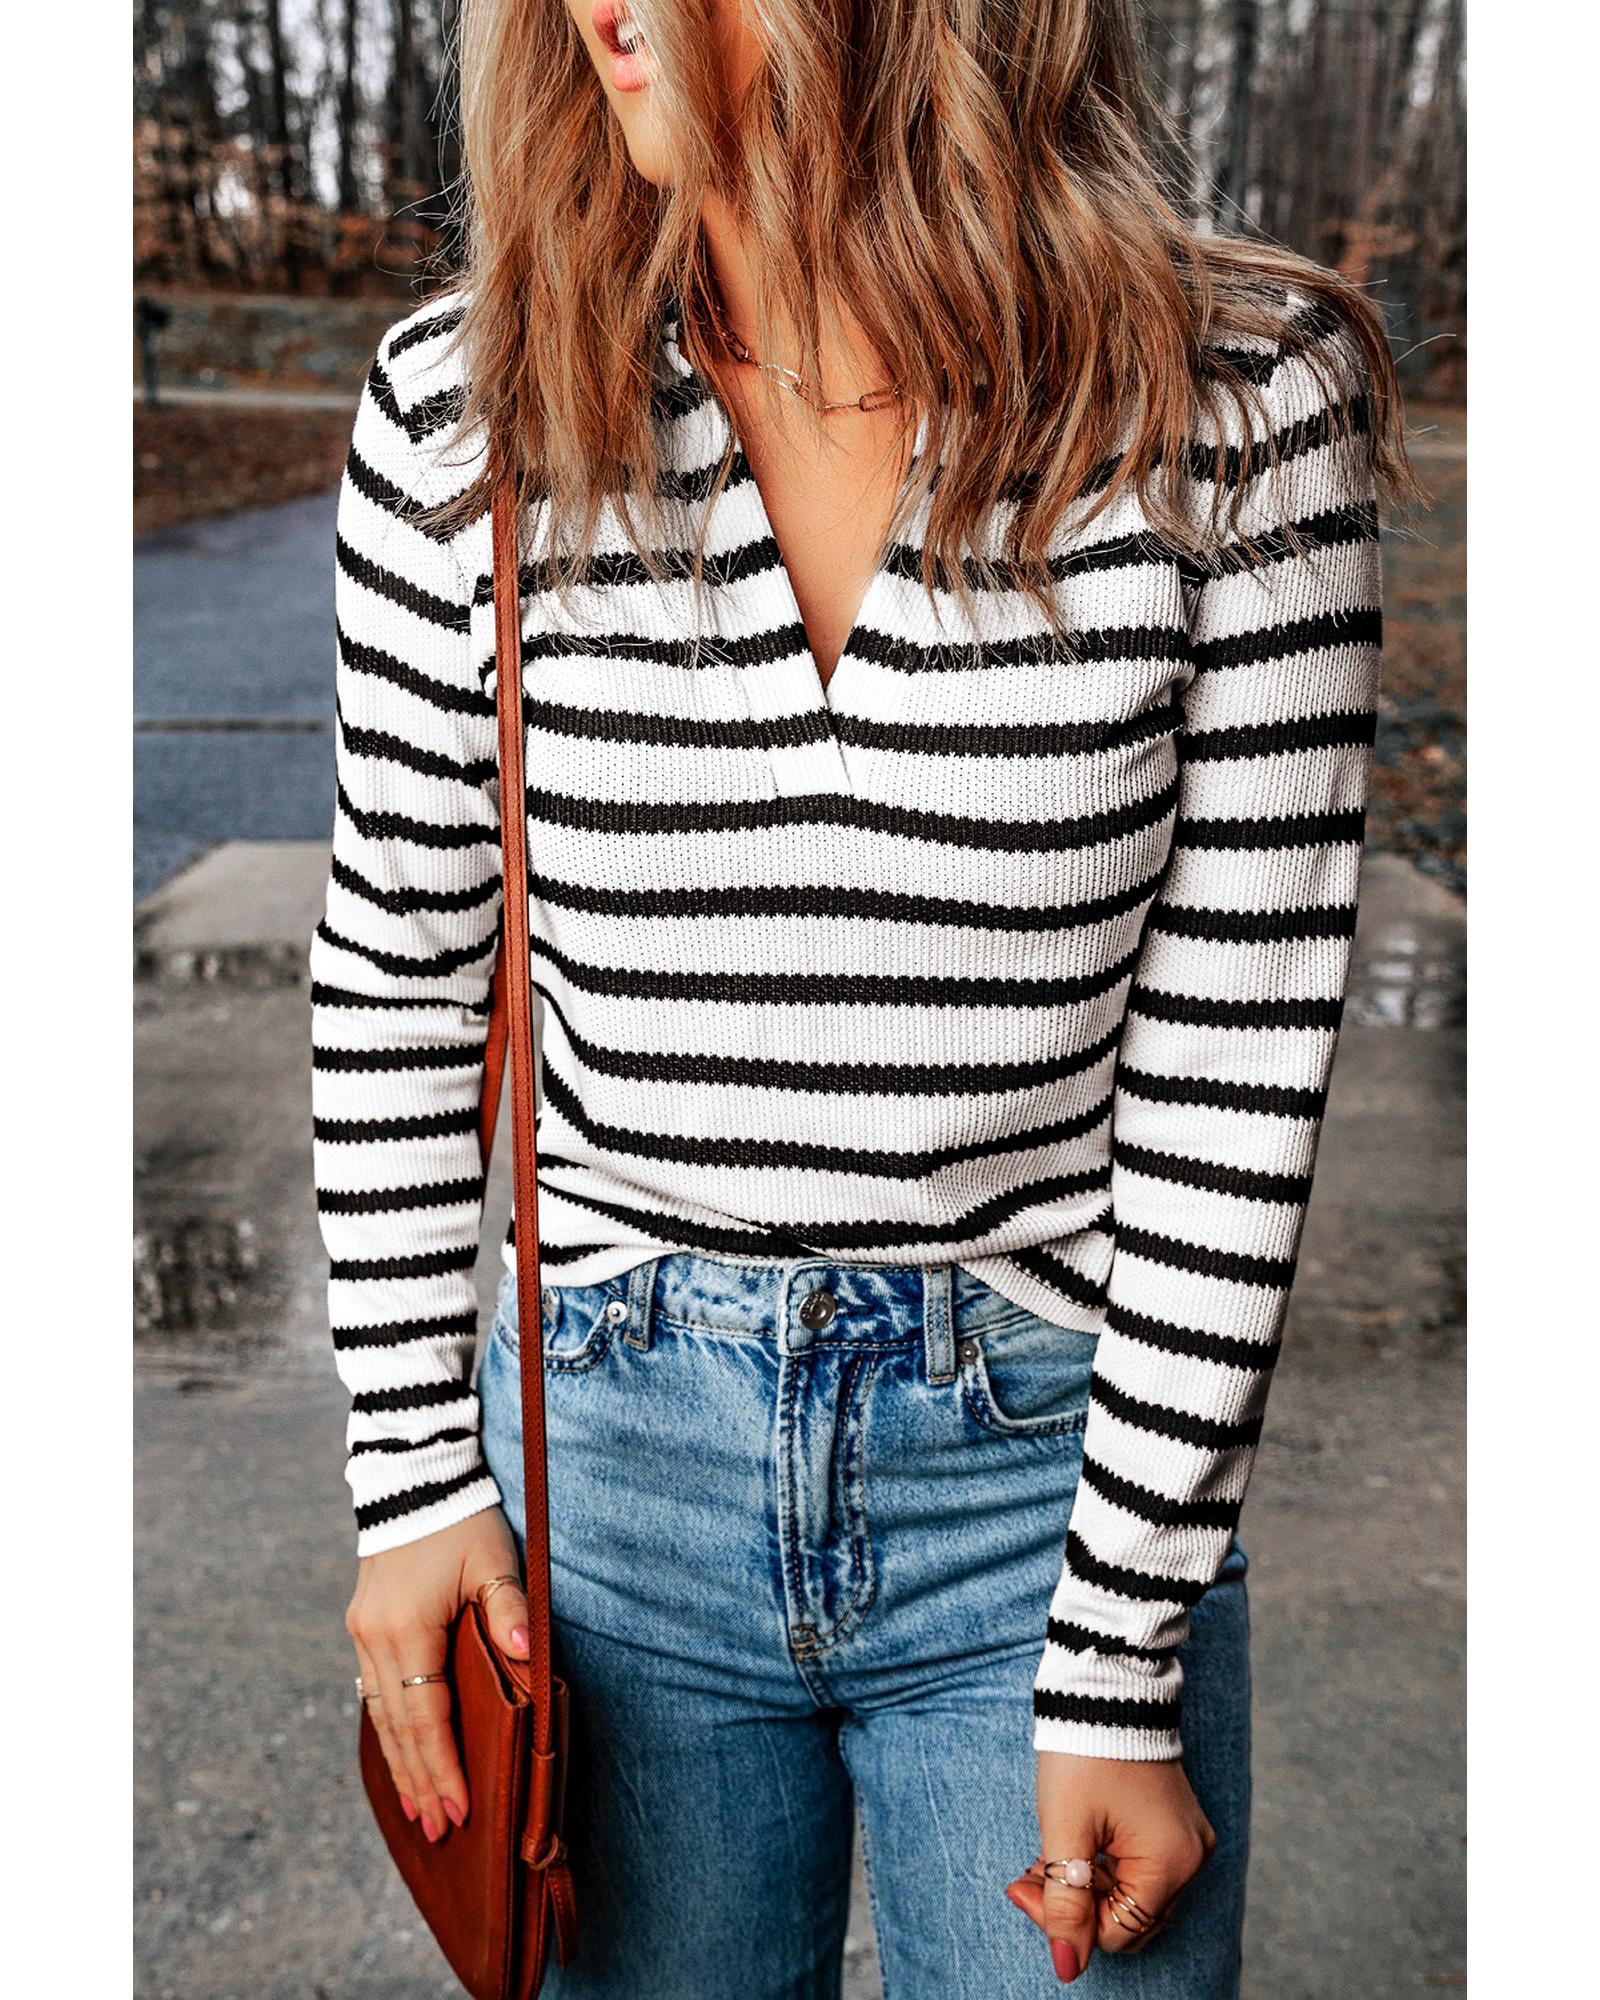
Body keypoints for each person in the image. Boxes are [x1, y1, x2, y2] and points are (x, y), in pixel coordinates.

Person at [311, 2, 1417, 1991]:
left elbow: (1232, 1076)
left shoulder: (1239, 403)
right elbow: (400, 959)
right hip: (606, 1486)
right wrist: (410, 1471)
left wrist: (1120, 1642)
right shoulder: (470, 406)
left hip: (1045, 1479)